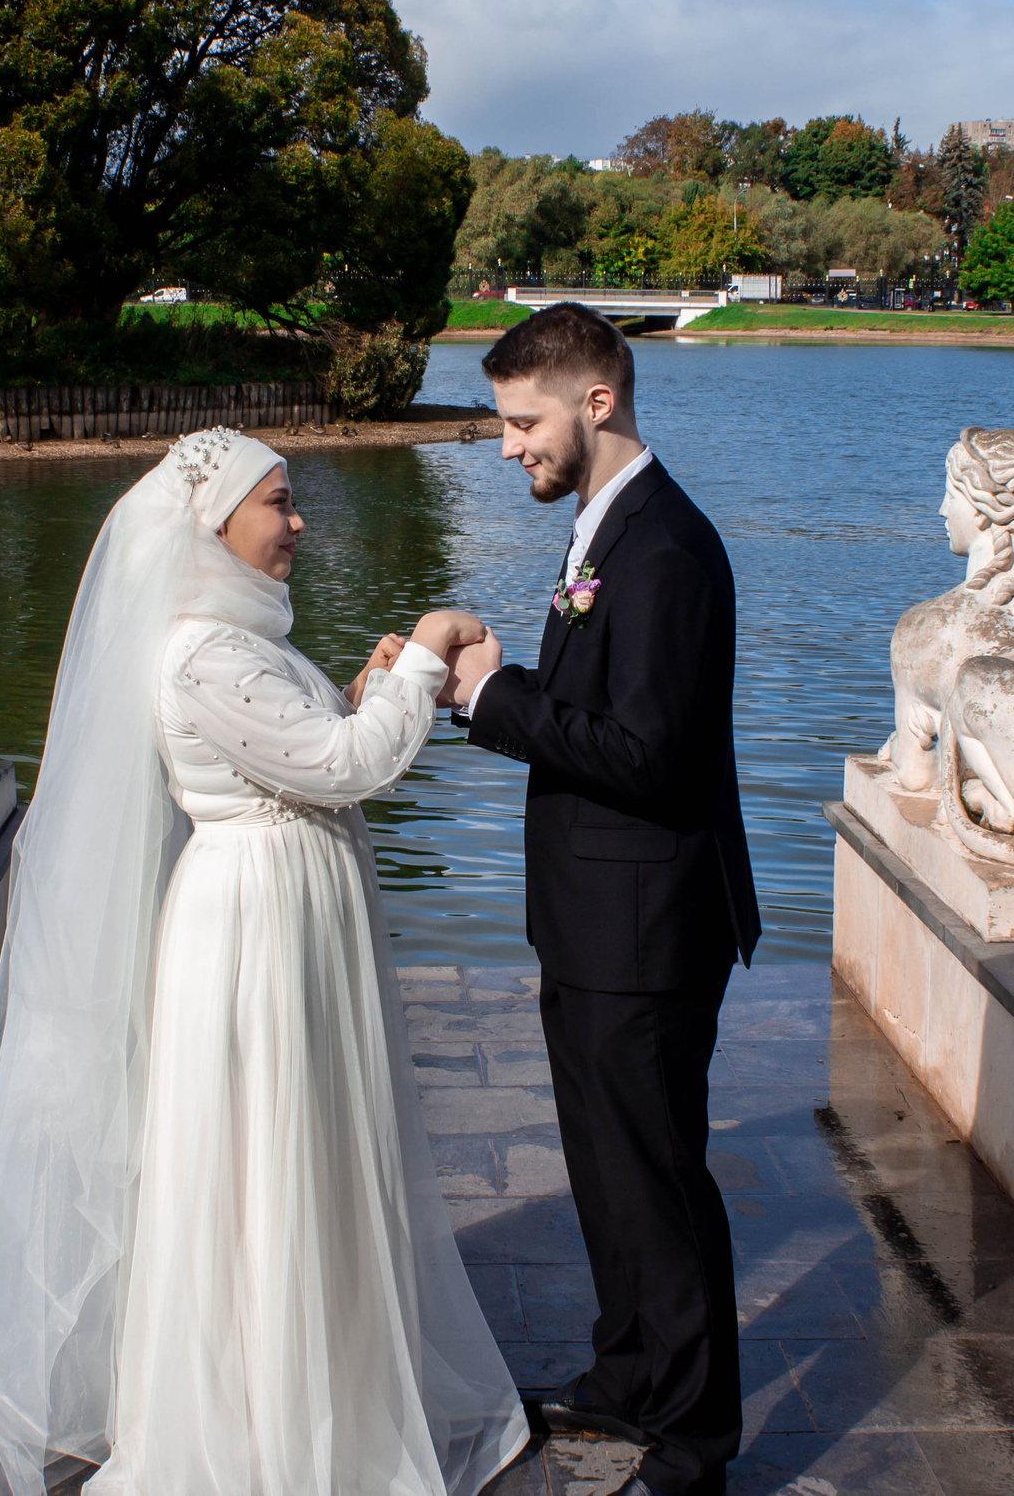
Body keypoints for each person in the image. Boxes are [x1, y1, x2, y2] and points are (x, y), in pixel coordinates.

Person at [0, 428, 530, 1496]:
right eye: (279, 502)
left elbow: (311, 751)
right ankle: (268, 1423)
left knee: (297, 1148)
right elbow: (351, 767)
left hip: (283, 907)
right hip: (254, 921)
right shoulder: (203, 650)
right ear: (215, 524)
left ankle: (311, 1388)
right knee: (264, 1154)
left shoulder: (234, 639)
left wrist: (361, 691)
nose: (297, 522)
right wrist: (432, 648)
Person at [441, 305, 760, 1496]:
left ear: (598, 401)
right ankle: (628, 1373)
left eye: (523, 421)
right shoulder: (603, 530)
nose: (508, 444)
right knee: (608, 1169)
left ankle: (693, 1443)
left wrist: (497, 695)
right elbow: (599, 721)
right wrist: (482, 692)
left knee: (660, 1180)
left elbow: (649, 755)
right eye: (503, 423)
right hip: (593, 919)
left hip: (647, 926)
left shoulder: (665, 549)